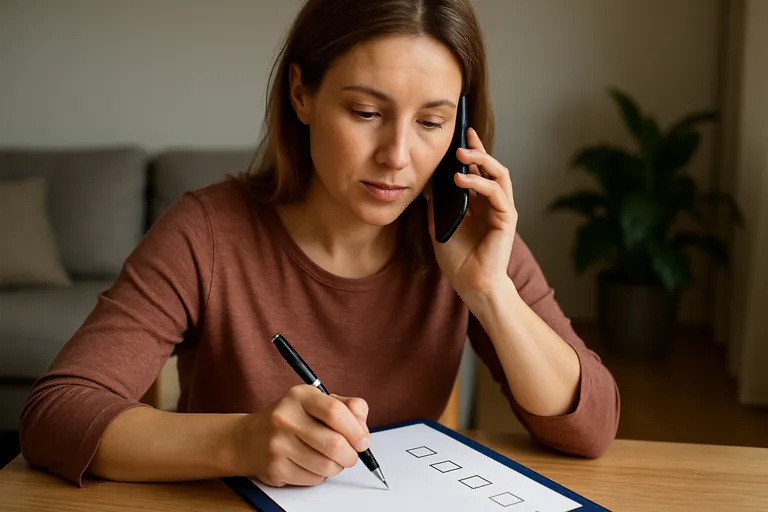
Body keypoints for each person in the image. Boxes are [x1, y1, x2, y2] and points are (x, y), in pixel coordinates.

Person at [19, 0, 620, 489]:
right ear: (301, 94)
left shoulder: (467, 232)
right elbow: (56, 413)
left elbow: (591, 427)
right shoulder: (206, 231)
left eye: (431, 122)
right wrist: (241, 442)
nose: (397, 155)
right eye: (365, 112)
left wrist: (491, 293)